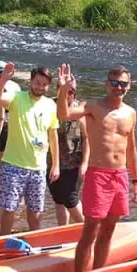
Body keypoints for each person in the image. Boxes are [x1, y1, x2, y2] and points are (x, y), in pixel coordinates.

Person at [56, 63, 137, 272]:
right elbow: (63, 115)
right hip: (98, 175)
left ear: (129, 86)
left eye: (123, 84)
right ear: (106, 84)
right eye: (114, 83)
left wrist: (136, 181)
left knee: (109, 230)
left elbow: (131, 149)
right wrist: (63, 90)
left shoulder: (131, 113)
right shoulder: (93, 107)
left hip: (120, 176)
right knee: (90, 230)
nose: (118, 87)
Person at [0, 63, 60, 234]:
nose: (40, 87)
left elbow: (53, 136)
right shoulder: (16, 97)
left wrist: (56, 164)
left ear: (48, 86)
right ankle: (3, 240)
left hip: (38, 168)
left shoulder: (51, 105)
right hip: (13, 165)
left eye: (44, 84)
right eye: (37, 83)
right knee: (9, 208)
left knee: (36, 211)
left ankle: (34, 240)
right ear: (31, 81)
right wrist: (2, 81)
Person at [47, 84, 87, 225]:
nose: (68, 95)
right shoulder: (50, 106)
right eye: (65, 91)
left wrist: (85, 163)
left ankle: (87, 229)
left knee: (71, 199)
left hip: (73, 163)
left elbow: (86, 139)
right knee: (58, 199)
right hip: (51, 162)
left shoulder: (80, 110)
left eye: (72, 92)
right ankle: (62, 231)